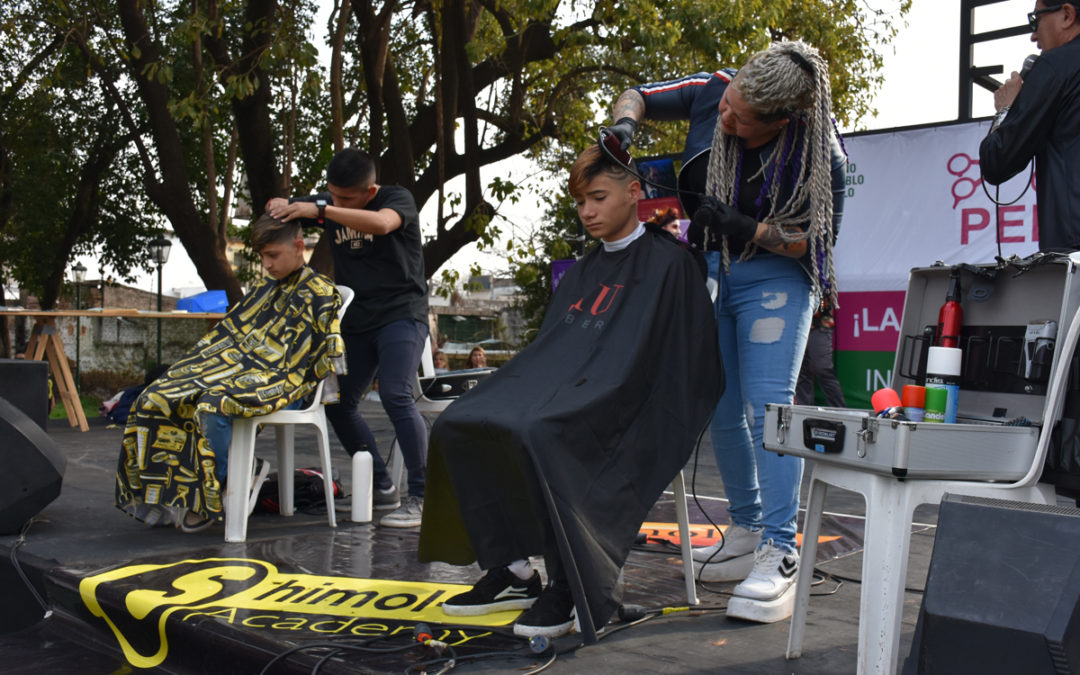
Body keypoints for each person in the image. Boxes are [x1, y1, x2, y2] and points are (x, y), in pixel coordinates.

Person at [417, 144, 722, 640]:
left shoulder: (672, 265)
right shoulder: (583, 271)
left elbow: (679, 361)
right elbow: (556, 348)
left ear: (634, 191)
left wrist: (597, 387)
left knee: (541, 431)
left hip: (631, 399)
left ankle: (572, 580)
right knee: (458, 422)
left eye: (598, 198)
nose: (588, 212)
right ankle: (513, 570)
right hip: (570, 385)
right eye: (580, 203)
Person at [607, 40, 846, 623]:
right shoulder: (714, 90)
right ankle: (744, 527)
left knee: (771, 406)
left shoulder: (822, 155)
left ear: (783, 120)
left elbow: (814, 242)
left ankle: (780, 549)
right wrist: (623, 127)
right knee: (720, 406)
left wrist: (750, 227)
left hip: (776, 276)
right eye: (729, 101)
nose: (725, 116)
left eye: (741, 118)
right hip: (712, 268)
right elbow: (636, 94)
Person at [114, 215, 344, 532]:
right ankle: (176, 496)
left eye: (272, 255)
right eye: (262, 256)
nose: (266, 264)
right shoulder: (264, 290)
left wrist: (255, 373)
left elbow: (313, 360)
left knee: (212, 404)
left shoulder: (320, 291)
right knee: (156, 396)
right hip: (247, 377)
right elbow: (231, 339)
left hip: (289, 387)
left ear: (299, 247)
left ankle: (220, 484)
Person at [267, 148, 430, 528]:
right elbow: (290, 208)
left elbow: (383, 224)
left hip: (402, 315)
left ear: (370, 190)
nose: (336, 204)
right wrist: (282, 205)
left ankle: (423, 496)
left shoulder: (395, 199)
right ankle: (382, 486)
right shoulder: (328, 202)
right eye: (332, 195)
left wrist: (322, 210)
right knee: (337, 403)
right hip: (357, 320)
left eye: (346, 199)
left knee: (395, 393)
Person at [979, 1, 1080, 252]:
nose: (1033, 35)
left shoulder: (1055, 65)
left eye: (1036, 20)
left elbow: (997, 161)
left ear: (1067, 15)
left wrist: (1005, 109)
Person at [795, 294, 847, 408]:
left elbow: (825, 294)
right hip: (798, 322)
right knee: (801, 371)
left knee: (822, 368)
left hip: (820, 323)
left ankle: (840, 411)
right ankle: (804, 411)